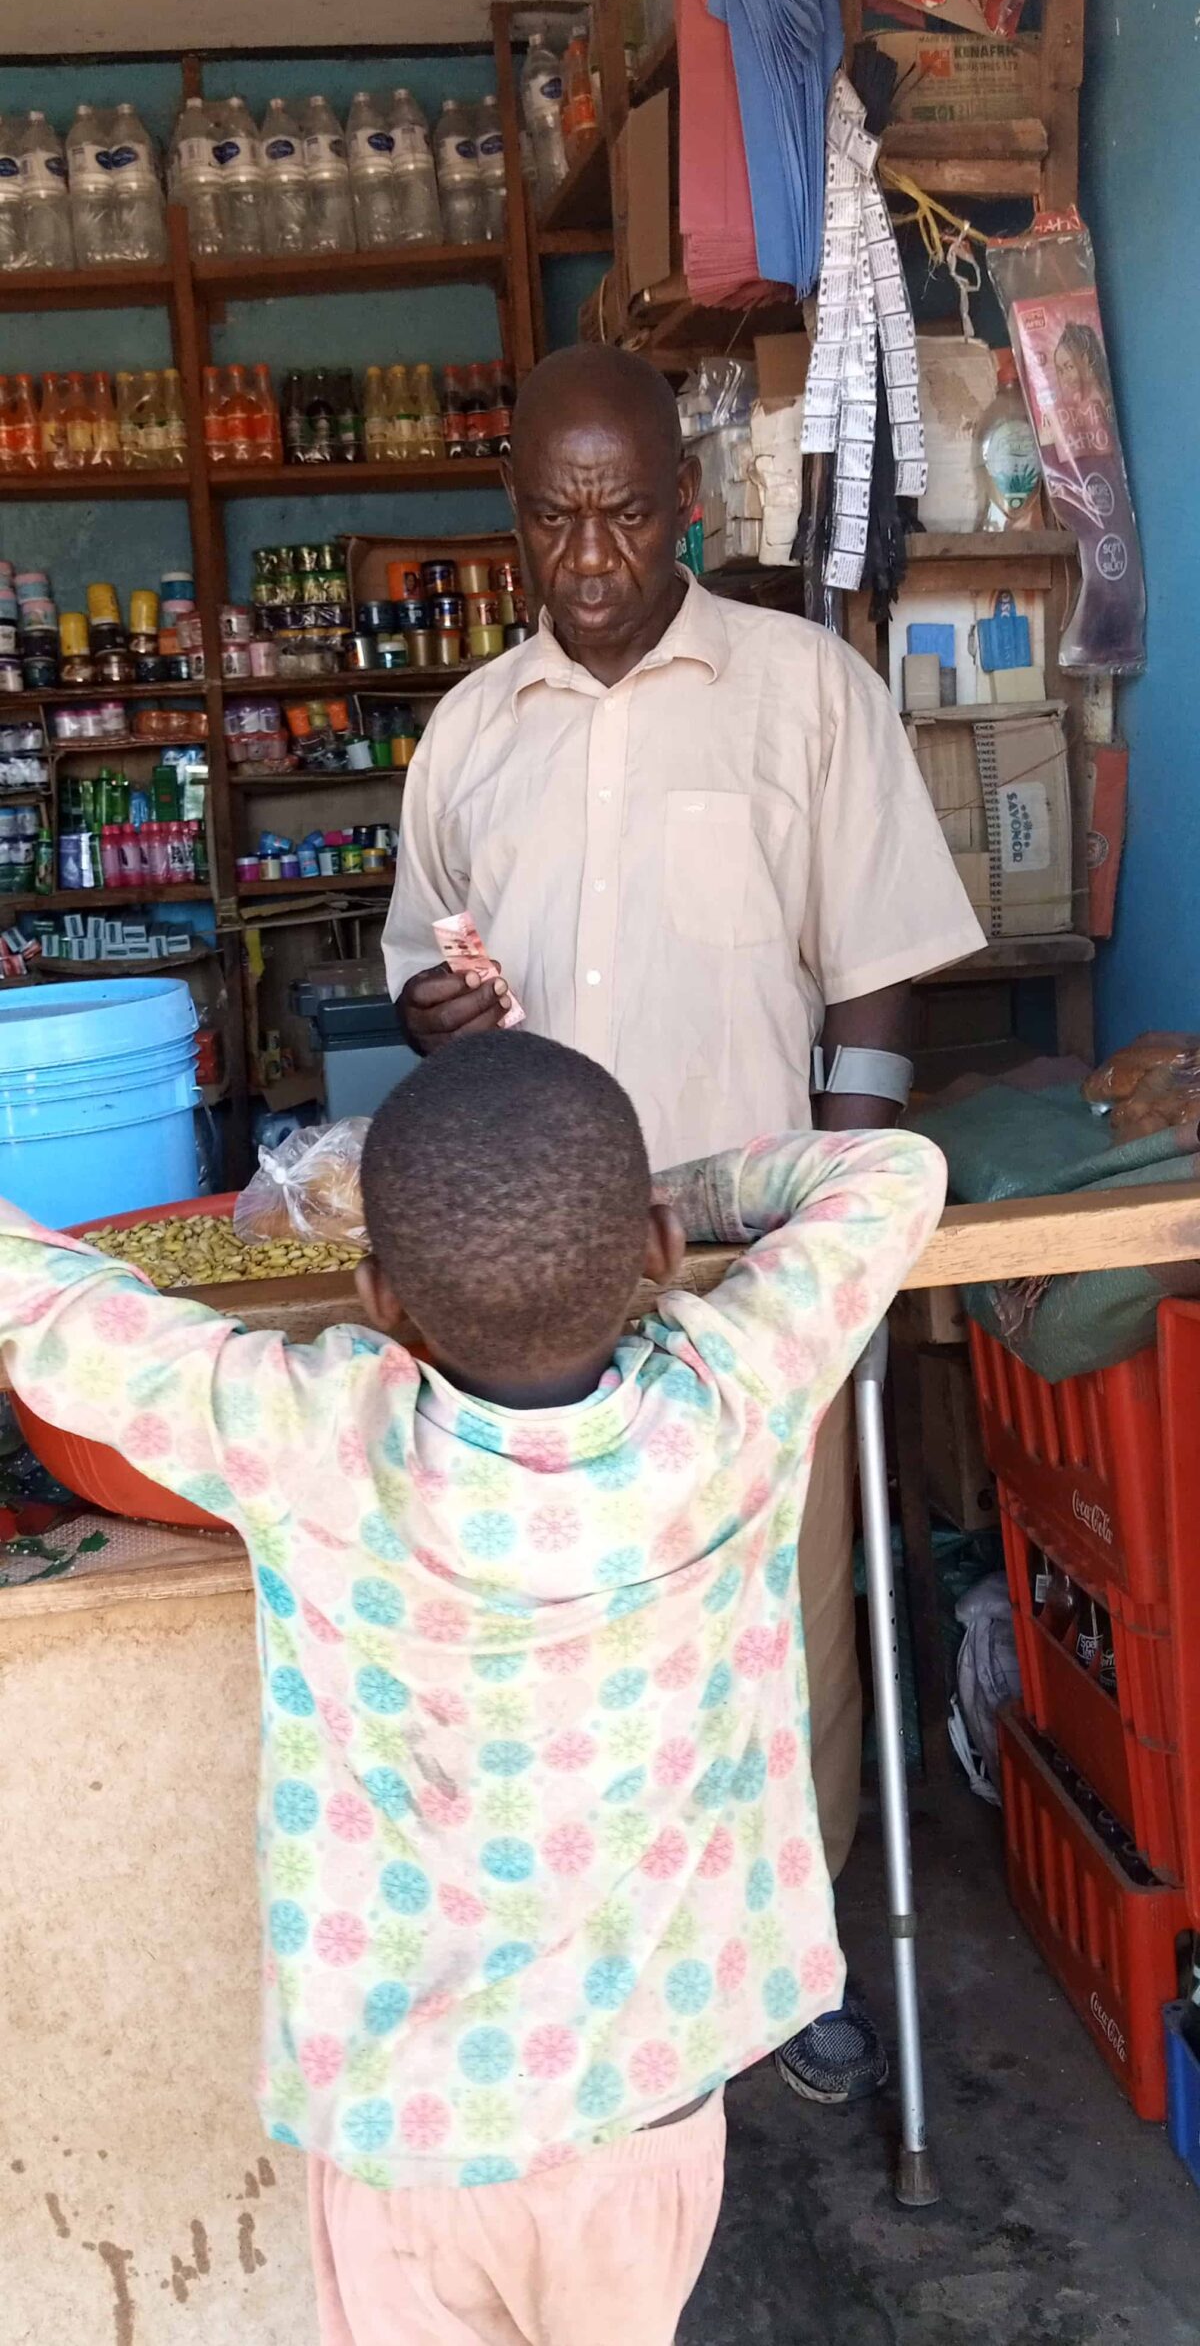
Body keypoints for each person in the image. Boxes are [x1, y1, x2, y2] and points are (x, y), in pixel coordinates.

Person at [0, 1033, 946, 2346]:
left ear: (379, 1295)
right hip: (646, 2124)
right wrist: (660, 1193)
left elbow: (46, 1311)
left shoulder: (314, 1440)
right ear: (659, 1249)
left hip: (414, 2142)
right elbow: (893, 1168)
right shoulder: (738, 1395)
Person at [382, 343, 984, 2101]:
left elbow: (879, 987)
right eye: (556, 520)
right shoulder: (467, 737)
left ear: (687, 508)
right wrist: (439, 1018)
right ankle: (607, 1995)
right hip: (528, 1287)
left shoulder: (805, 690)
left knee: (777, 1629)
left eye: (626, 512)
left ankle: (787, 1976)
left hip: (740, 1284)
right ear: (513, 527)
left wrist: (835, 1258)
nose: (591, 555)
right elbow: (427, 973)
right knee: (570, 1657)